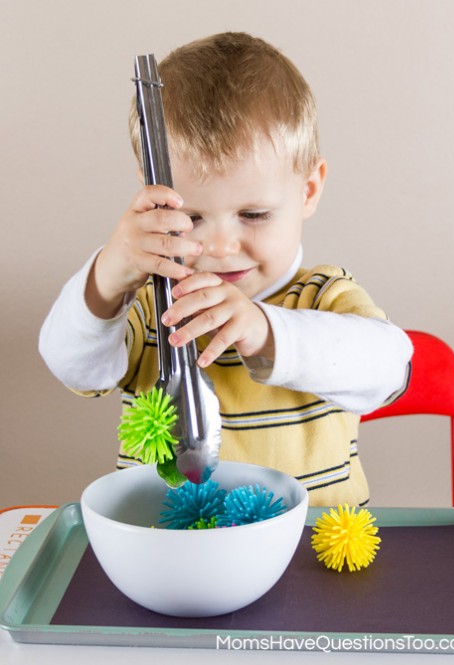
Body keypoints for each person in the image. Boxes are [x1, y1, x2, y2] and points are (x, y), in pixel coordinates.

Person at [39, 32, 413, 507]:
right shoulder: (156, 308)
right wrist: (110, 275)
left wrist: (267, 332)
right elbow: (74, 364)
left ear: (308, 191)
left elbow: (390, 367)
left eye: (253, 214)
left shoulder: (322, 298)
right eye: (191, 217)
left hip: (309, 560)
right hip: (172, 558)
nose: (217, 245)